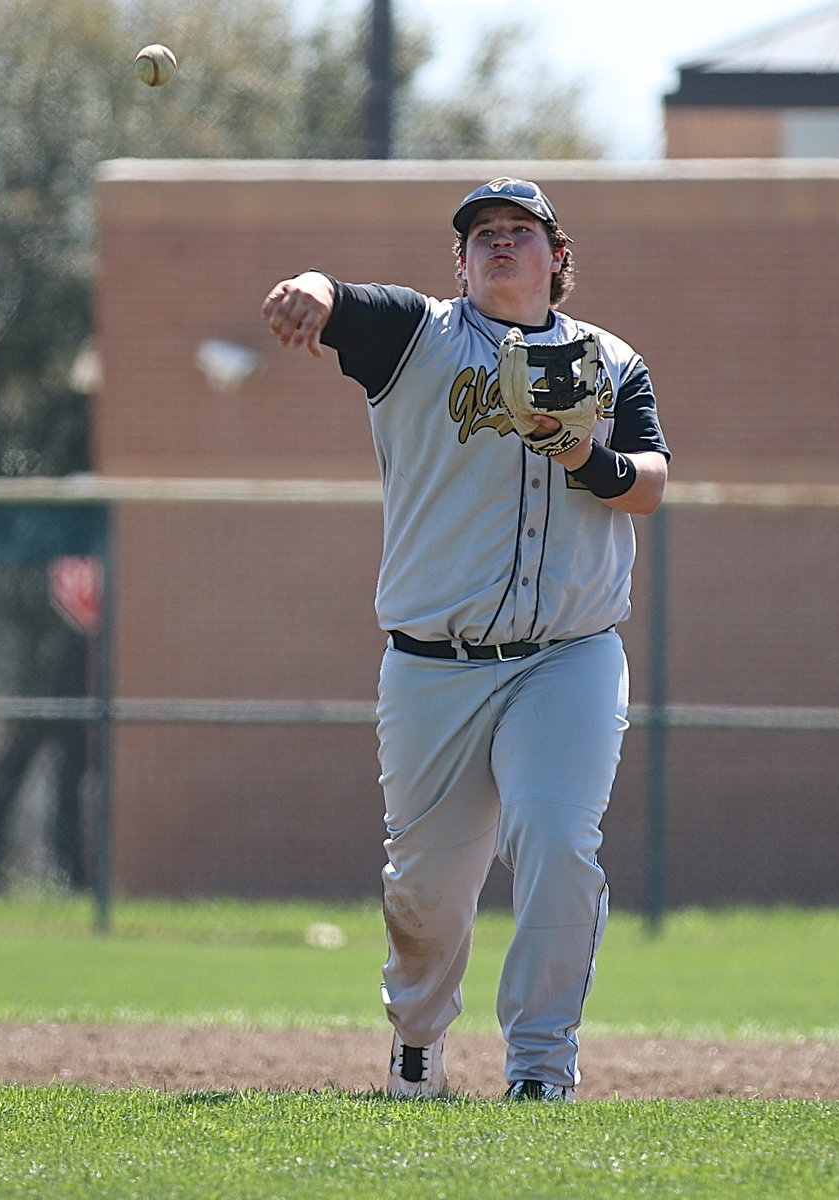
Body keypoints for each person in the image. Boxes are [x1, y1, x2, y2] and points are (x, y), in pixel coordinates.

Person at [261, 177, 669, 1101]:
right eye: (482, 232)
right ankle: (417, 1043)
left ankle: (540, 1068)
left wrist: (583, 458)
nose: (500, 243)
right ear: (459, 259)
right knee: (426, 890)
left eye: (521, 231)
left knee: (559, 841)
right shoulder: (418, 338)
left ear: (557, 257)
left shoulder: (610, 361)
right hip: (432, 668)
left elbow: (648, 481)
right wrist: (310, 289)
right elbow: (342, 300)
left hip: (569, 654)